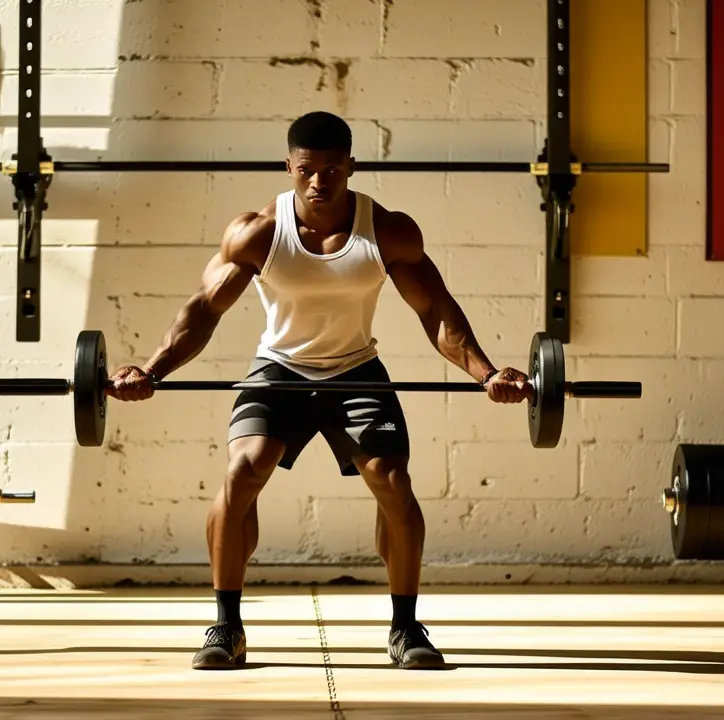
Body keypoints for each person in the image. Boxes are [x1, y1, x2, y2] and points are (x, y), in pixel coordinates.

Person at [105, 111, 533, 670]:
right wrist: (153, 369)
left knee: (392, 480)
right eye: (307, 169)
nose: (319, 181)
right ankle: (226, 626)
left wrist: (485, 372)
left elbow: (435, 311)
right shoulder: (258, 231)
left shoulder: (389, 231)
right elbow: (205, 308)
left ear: (351, 165)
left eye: (333, 168)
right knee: (243, 471)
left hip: (356, 370)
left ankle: (405, 628)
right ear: (289, 166)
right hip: (279, 369)